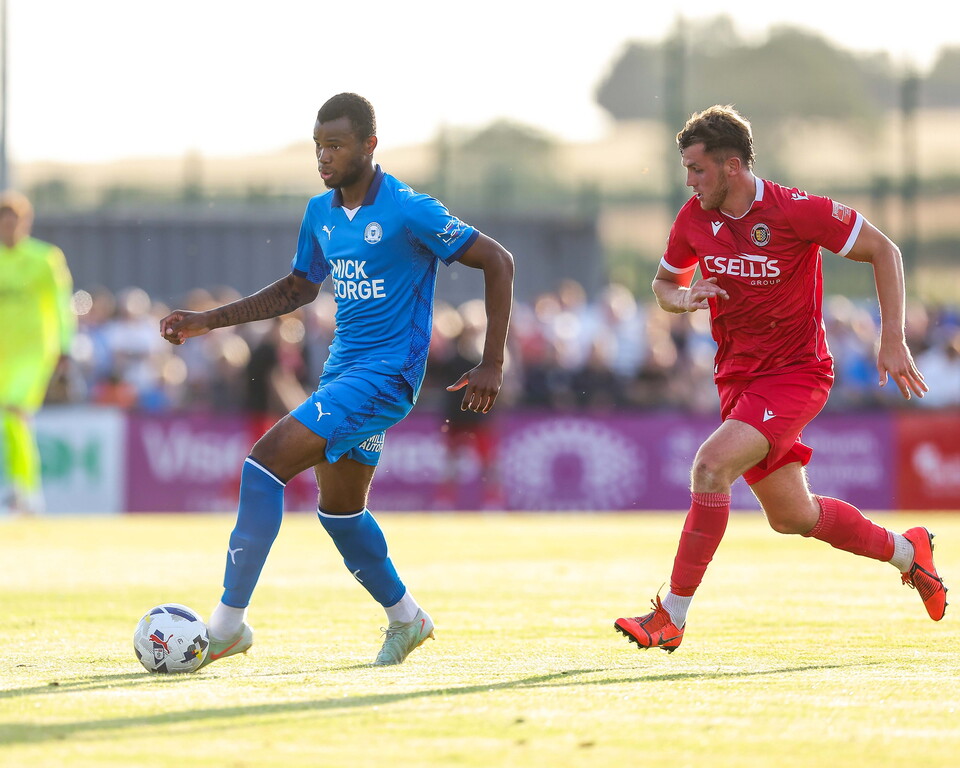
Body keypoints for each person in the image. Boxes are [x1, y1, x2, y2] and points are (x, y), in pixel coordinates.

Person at [160, 93, 514, 667]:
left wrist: (493, 361)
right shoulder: (320, 213)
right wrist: (208, 321)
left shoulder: (409, 209)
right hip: (342, 373)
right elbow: (298, 289)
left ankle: (226, 626)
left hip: (386, 377)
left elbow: (499, 261)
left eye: (336, 145)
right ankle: (407, 618)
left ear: (370, 145)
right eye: (318, 146)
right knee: (340, 511)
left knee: (263, 463)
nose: (324, 157)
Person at [614, 105, 946, 653]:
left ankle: (670, 615)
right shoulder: (693, 217)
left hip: (796, 374)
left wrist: (892, 339)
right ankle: (911, 554)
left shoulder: (796, 211)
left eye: (697, 170)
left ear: (732, 166)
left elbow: (885, 251)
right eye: (687, 171)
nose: (690, 182)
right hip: (737, 382)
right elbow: (664, 284)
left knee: (709, 466)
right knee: (793, 517)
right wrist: (682, 300)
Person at [0, 191, 76, 515]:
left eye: (13, 220)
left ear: (24, 223)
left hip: (33, 351)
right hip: (4, 351)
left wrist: (65, 346)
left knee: (15, 411)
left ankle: (26, 491)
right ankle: (22, 490)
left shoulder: (45, 258)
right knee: (13, 420)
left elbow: (61, 304)